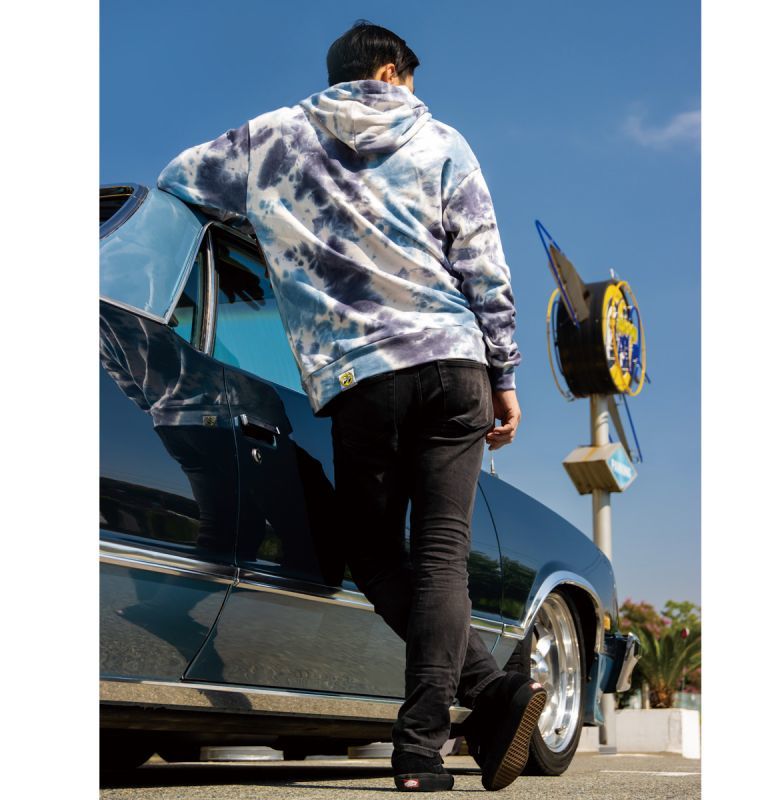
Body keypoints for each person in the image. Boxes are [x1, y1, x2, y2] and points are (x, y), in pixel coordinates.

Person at [156, 19, 547, 792]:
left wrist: (272, 224)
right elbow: (485, 269)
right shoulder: (443, 142)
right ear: (392, 71)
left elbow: (178, 178)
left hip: (363, 379)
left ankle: (464, 715)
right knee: (442, 554)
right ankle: (443, 733)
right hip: (454, 365)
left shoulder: (273, 138)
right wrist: (505, 374)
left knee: (371, 554)